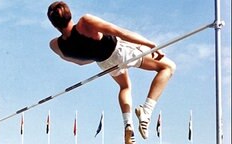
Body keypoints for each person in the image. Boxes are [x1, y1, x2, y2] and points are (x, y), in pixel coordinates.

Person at [47, 1, 176, 144]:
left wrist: (98, 55)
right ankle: (146, 111)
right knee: (168, 67)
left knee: (125, 87)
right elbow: (121, 32)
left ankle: (128, 125)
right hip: (119, 51)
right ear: (69, 14)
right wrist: (151, 45)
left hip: (104, 63)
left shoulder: (56, 45)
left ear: (54, 24)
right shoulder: (85, 22)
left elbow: (80, 62)